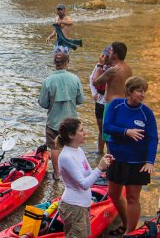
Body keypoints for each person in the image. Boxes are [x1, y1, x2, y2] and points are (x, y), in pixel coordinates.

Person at [55, 117, 113, 238]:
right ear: (71, 135)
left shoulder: (77, 150)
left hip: (81, 205)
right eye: (81, 130)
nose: (84, 133)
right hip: (73, 206)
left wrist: (101, 164)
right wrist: (100, 168)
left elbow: (88, 173)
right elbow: (83, 184)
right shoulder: (65, 156)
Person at [101, 75, 157, 235]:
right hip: (116, 158)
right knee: (113, 194)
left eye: (143, 91)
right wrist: (126, 132)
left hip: (137, 162)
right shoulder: (116, 105)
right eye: (139, 91)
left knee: (132, 197)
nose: (142, 94)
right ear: (129, 91)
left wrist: (150, 161)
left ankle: (129, 233)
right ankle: (126, 222)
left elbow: (153, 138)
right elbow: (107, 127)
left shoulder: (147, 113)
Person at [37, 47, 85, 181]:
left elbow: (42, 102)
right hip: (71, 121)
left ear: (55, 64)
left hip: (53, 120)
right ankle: (74, 174)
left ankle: (57, 174)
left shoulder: (48, 81)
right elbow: (81, 100)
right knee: (72, 146)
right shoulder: (74, 79)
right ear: (67, 63)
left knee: (54, 147)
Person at [92, 43, 133, 147]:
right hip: (124, 104)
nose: (108, 52)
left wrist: (99, 64)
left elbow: (95, 82)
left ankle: (110, 161)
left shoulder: (112, 70)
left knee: (109, 137)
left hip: (111, 106)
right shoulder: (128, 68)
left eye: (110, 50)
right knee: (118, 135)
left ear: (115, 54)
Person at [89, 47, 112, 155]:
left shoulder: (115, 68)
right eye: (103, 56)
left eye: (107, 56)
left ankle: (109, 154)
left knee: (108, 130)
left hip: (109, 101)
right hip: (99, 101)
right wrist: (94, 93)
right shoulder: (99, 66)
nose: (105, 59)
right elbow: (91, 79)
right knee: (101, 129)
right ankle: (99, 152)